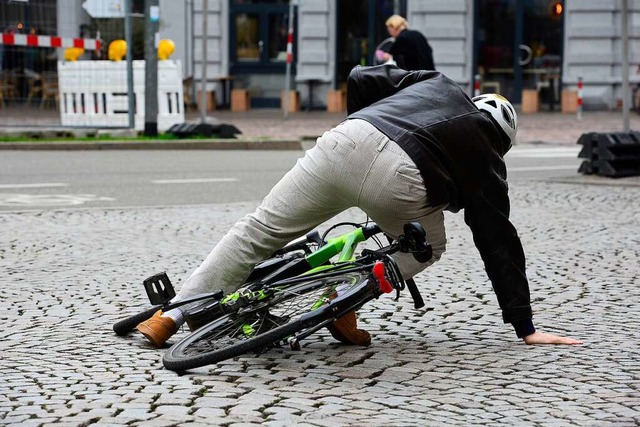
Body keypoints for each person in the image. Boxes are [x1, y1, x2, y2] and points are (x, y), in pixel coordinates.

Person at [137, 64, 582, 348]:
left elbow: (359, 77)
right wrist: (524, 325)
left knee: (258, 231)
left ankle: (170, 314)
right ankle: (339, 301)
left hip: (346, 140)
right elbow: (497, 239)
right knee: (425, 248)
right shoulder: (488, 156)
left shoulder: (440, 85)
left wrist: (363, 129)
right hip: (404, 180)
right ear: (503, 141)